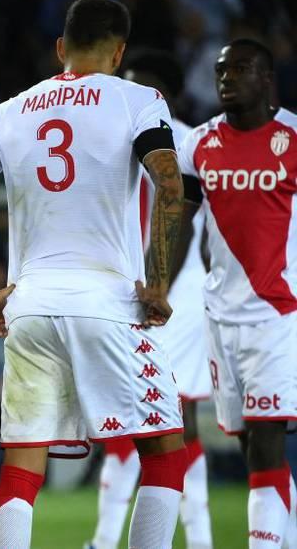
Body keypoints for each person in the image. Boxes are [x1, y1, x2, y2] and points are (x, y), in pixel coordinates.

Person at [0, 0, 188, 549]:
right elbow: (169, 185)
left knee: (22, 469)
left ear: (59, 48)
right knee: (166, 452)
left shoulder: (10, 111)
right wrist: (159, 281)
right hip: (106, 304)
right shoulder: (139, 100)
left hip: (30, 309)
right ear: (119, 52)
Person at [87, 49, 213, 549]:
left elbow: (187, 223)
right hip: (127, 291)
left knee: (171, 417)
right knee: (133, 416)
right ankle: (105, 539)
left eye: (141, 85)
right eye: (126, 81)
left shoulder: (185, 142)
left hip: (173, 295)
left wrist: (158, 286)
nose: (129, 92)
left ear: (164, 94)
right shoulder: (114, 138)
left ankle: (193, 540)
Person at [177, 38, 297, 549]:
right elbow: (184, 223)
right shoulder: (197, 144)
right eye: (222, 71)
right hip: (220, 317)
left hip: (279, 314)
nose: (226, 78)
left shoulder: (293, 137)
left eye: (240, 69)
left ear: (267, 78)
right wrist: (157, 284)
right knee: (252, 445)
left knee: (268, 444)